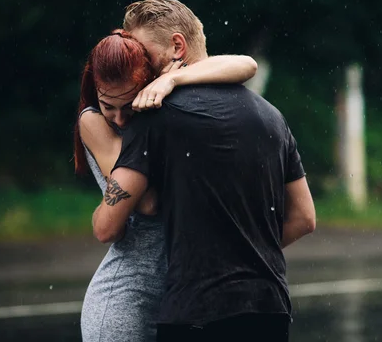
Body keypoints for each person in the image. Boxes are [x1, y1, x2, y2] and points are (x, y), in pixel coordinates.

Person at [93, 0, 316, 342]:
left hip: (195, 312)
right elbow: (304, 218)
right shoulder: (271, 116)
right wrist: (247, 254)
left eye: (144, 55)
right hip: (268, 308)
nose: (138, 66)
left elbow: (107, 226)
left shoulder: (154, 115)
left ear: (177, 46)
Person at [74, 28, 259, 342]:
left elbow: (247, 66)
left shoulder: (161, 100)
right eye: (109, 106)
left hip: (179, 301)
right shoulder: (92, 122)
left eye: (128, 106)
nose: (119, 119)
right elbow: (147, 202)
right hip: (126, 301)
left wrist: (174, 79)